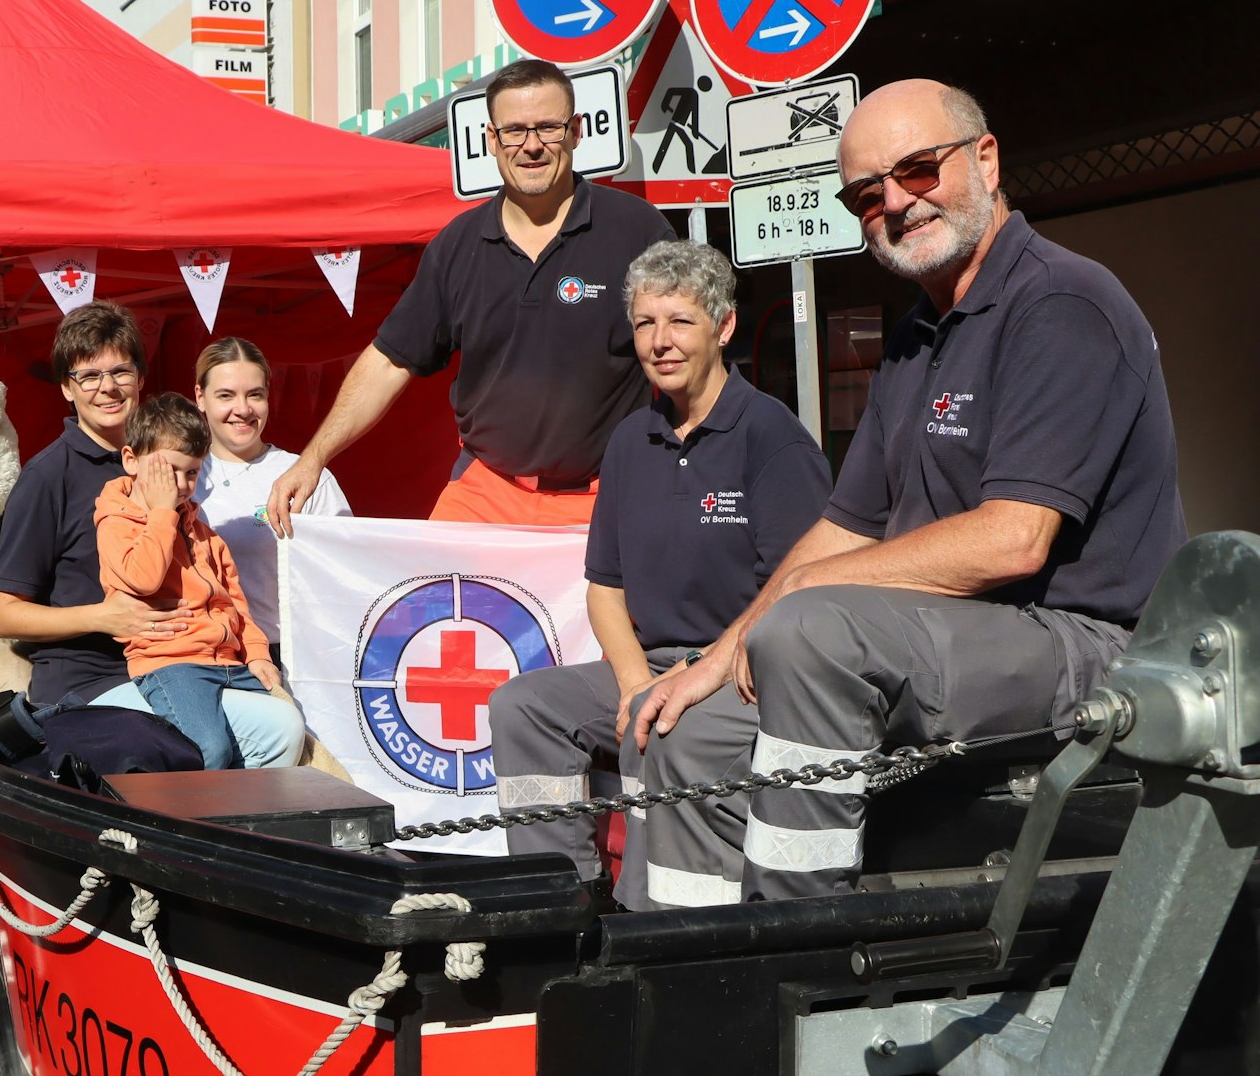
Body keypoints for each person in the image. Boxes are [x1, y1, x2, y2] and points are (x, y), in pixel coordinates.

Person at [627, 80, 1187, 903]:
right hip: (944, 636)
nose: (895, 202)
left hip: (1084, 644)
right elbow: (842, 530)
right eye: (866, 192)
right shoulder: (915, 336)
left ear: (986, 160)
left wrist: (806, 597)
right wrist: (710, 663)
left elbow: (1015, 538)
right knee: (687, 733)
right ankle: (686, 977)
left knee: (815, 626)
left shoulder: (1061, 303)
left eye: (919, 170)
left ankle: (795, 957)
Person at [488, 240, 831, 901]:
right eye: (645, 323)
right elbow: (605, 587)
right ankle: (561, 903)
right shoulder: (629, 440)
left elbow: (797, 595)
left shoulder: (772, 438)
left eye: (679, 321)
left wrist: (691, 675)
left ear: (724, 326)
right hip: (651, 665)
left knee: (662, 723)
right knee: (521, 706)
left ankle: (647, 922)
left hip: (745, 672)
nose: (660, 341)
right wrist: (634, 677)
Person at [267, 59, 673, 533]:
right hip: (486, 494)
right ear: (491, 140)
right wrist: (313, 459)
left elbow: (687, 350)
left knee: (610, 611)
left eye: (548, 127)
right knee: (429, 603)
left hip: (605, 496)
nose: (533, 146)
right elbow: (388, 361)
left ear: (577, 131)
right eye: (515, 131)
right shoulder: (455, 246)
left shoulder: (637, 229)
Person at [0, 301, 304, 767]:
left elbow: (218, 574)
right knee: (245, 737)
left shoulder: (179, 463)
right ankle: (200, 832)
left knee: (284, 726)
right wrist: (102, 617)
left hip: (189, 661)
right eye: (88, 376)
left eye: (120, 371)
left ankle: (235, 829)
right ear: (66, 389)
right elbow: (5, 615)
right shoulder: (48, 477)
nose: (107, 387)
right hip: (93, 681)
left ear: (140, 377)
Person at [95, 394, 291, 769]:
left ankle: (247, 818)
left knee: (290, 723)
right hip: (172, 664)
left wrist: (257, 654)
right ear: (131, 460)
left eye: (191, 473)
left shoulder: (205, 535)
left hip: (228, 662)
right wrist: (163, 512)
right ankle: (191, 823)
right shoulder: (117, 523)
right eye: (168, 471)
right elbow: (144, 579)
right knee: (209, 749)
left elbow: (235, 604)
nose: (181, 484)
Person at [191, 337, 352, 662]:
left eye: (255, 395)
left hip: (293, 658)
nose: (243, 409)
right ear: (200, 397)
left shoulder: (305, 476)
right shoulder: (180, 477)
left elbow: (343, 574)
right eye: (226, 395)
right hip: (203, 659)